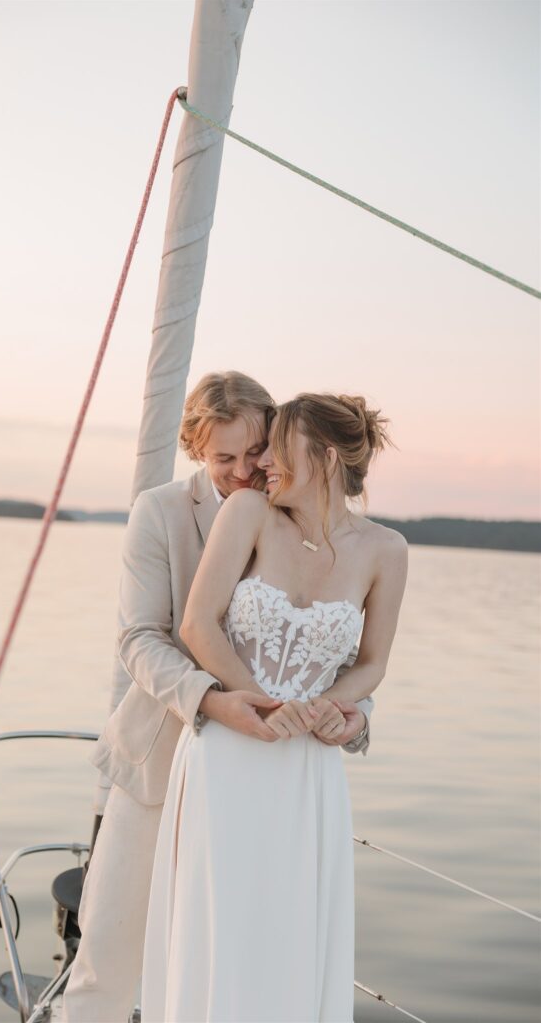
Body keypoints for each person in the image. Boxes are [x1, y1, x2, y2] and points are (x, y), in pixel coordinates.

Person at [63, 375, 374, 1022]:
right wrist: (213, 698)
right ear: (197, 453)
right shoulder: (160, 511)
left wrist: (352, 715)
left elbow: (332, 648)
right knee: (108, 964)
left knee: (247, 965)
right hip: (160, 760)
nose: (243, 471)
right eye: (222, 458)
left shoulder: (305, 516)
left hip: (265, 783)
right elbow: (140, 637)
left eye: (255, 451)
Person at [141, 393, 408, 1023]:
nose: (261, 464)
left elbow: (372, 663)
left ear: (327, 456)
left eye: (275, 445)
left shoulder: (386, 550)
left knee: (290, 928)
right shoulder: (250, 513)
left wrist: (330, 708)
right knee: (221, 926)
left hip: (308, 771)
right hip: (229, 751)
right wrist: (261, 705)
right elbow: (198, 625)